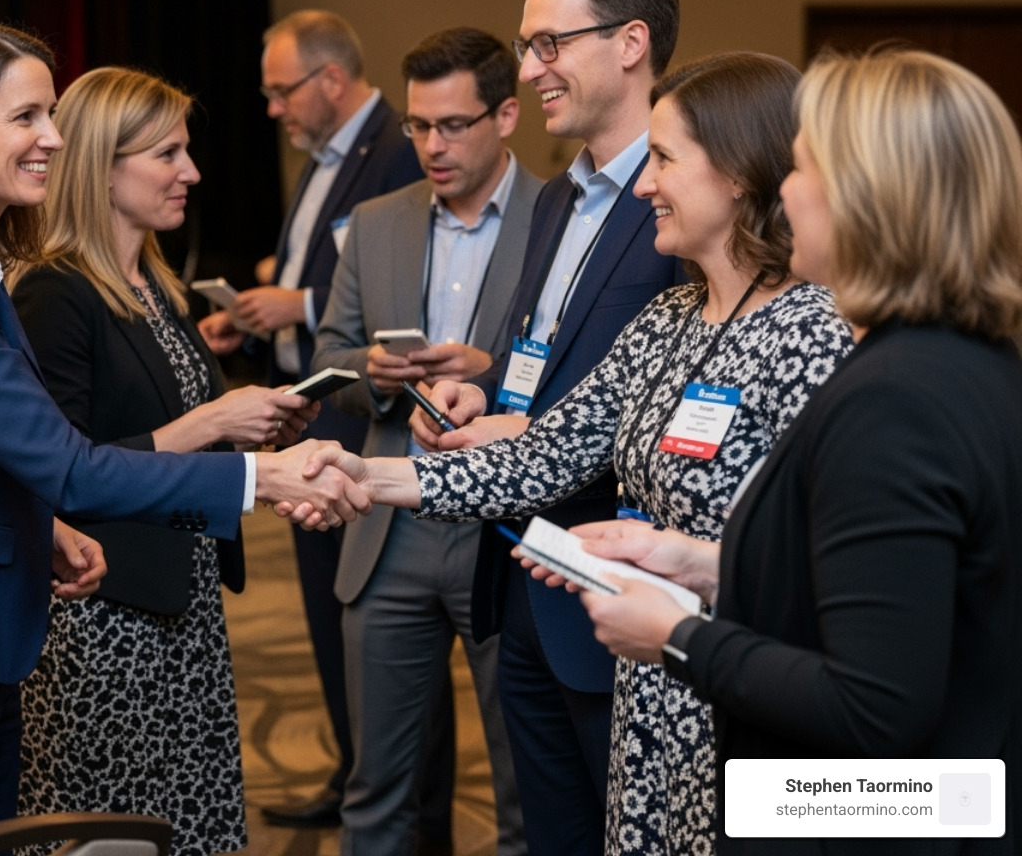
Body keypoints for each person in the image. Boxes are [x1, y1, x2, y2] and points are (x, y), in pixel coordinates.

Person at [0, 20, 366, 856]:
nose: (54, 137)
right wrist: (265, 477)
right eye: (26, 116)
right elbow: (67, 462)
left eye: (51, 115)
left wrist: (44, 526)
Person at [293, 51, 857, 856]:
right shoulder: (667, 318)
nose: (644, 185)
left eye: (664, 161)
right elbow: (543, 457)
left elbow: (832, 561)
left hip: (744, 688)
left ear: (738, 175)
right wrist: (368, 475)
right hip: (652, 686)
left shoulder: (814, 332)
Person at [566, 49, 1022, 855]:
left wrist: (676, 636)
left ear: (868, 197)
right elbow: (903, 601)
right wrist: (703, 565)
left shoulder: (896, 400)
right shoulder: (976, 363)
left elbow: (875, 710)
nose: (783, 190)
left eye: (802, 167)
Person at [413, 0, 687, 856]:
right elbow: (547, 355)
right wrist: (481, 389)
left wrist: (524, 428)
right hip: (522, 570)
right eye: (526, 48)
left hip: (623, 591)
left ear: (630, 43)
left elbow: (682, 398)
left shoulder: (683, 204)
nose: (529, 71)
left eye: (549, 45)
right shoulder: (557, 200)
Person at [7, 67, 317, 856]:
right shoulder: (55, 292)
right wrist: (212, 418)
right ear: (103, 168)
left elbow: (171, 433)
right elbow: (59, 472)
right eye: (167, 154)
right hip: (103, 617)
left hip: (181, 603)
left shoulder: (154, 285)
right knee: (113, 825)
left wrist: (254, 427)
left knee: (185, 818)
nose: (192, 172)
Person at [310, 27, 537, 856]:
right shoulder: (376, 223)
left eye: (453, 125)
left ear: (505, 116)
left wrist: (491, 372)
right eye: (418, 126)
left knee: (524, 784)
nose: (432, 146)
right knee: (377, 785)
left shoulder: (558, 218)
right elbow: (329, 355)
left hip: (504, 529)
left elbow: (586, 368)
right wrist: (370, 374)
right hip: (389, 527)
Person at [202, 8, 429, 829]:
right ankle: (353, 771)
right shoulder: (328, 154)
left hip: (358, 420)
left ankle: (399, 799)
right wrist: (260, 319)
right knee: (332, 617)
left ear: (331, 79)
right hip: (309, 412)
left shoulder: (399, 150)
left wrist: (295, 304)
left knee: (374, 626)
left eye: (282, 90)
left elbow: (402, 283)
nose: (273, 109)